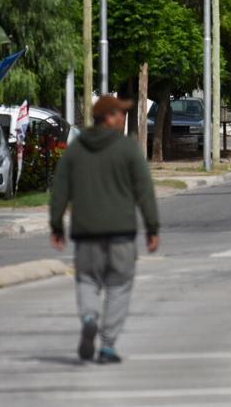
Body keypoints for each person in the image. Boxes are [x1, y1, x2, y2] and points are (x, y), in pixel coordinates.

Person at [49, 96, 160, 363]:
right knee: (119, 286)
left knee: (87, 280)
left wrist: (56, 226)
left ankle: (89, 317)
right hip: (121, 233)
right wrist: (152, 227)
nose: (123, 118)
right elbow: (144, 191)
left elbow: (60, 189)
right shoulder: (127, 149)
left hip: (86, 233)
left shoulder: (75, 150)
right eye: (119, 114)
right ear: (107, 117)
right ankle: (107, 345)